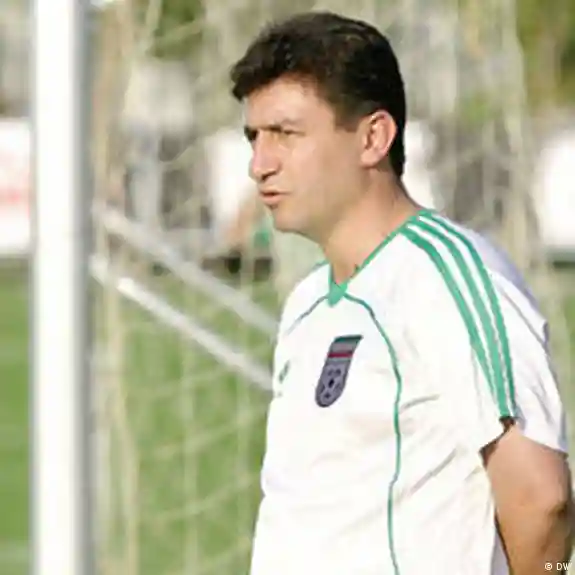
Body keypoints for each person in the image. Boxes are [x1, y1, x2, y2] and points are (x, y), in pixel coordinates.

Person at [229, 11, 574, 575]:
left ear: (373, 138)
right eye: (254, 137)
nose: (259, 164)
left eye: (286, 134)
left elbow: (542, 499)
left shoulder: (444, 277)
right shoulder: (308, 302)